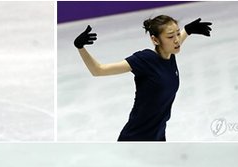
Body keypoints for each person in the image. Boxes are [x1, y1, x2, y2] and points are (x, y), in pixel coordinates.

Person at [73, 15, 212, 141]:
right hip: (136, 138)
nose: (176, 40)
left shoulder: (170, 55)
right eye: (170, 36)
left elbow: (175, 42)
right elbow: (98, 70)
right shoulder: (145, 60)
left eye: (177, 33)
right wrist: (80, 47)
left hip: (158, 135)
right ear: (155, 40)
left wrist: (187, 30)